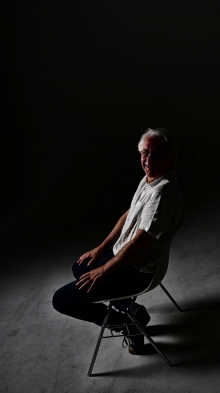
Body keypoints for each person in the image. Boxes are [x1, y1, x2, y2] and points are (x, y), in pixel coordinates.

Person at [53, 128, 184, 354]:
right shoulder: (151, 178)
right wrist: (101, 249)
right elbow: (130, 212)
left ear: (171, 157)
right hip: (125, 255)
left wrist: (103, 270)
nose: (148, 159)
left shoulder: (162, 195)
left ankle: (128, 326)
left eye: (156, 153)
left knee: (62, 300)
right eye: (145, 152)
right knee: (80, 266)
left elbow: (136, 246)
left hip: (135, 270)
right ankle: (129, 306)